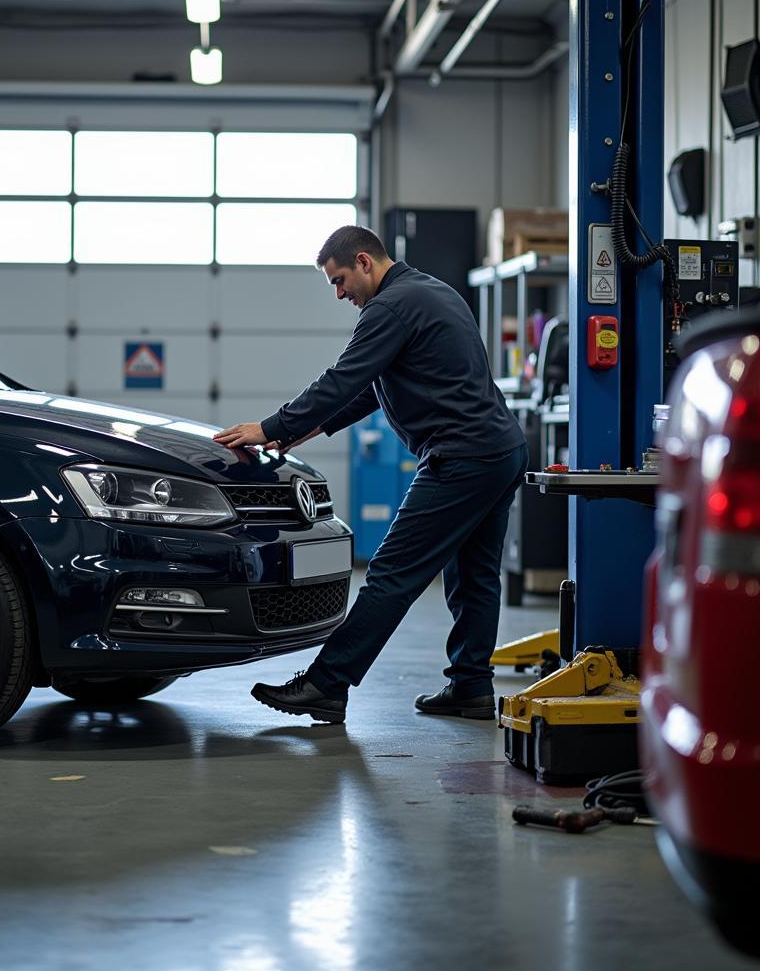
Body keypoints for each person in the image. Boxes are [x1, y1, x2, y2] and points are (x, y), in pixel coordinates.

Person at [213, 226, 527, 724]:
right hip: (501, 451)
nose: (340, 295)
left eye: (339, 281)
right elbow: (368, 389)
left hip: (462, 457)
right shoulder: (429, 290)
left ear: (364, 262)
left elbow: (344, 377)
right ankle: (470, 687)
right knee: (475, 577)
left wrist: (270, 426)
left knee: (390, 575)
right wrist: (299, 433)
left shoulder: (390, 307)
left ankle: (327, 683)